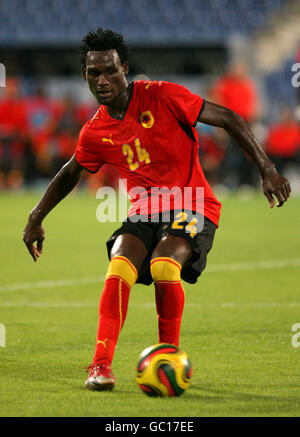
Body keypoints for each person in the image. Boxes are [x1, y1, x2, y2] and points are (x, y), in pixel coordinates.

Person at [23, 28, 291, 392]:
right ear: (85, 76)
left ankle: (168, 355)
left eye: (110, 71)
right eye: (93, 73)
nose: (102, 80)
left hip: (193, 204)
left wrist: (268, 169)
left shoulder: (163, 95)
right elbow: (71, 171)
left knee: (164, 265)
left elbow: (228, 117)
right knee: (119, 265)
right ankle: (100, 366)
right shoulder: (95, 131)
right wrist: (35, 217)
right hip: (144, 212)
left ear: (125, 69)